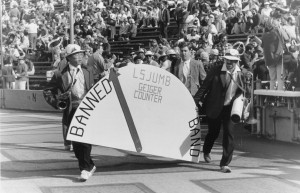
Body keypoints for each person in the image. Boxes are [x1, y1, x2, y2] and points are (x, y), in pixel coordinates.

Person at [48, 44, 96, 181]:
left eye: (81, 54)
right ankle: (89, 165)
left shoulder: (88, 71)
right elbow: (47, 91)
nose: (80, 57)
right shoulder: (59, 74)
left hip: (87, 109)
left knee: (85, 140)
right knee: (76, 143)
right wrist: (57, 102)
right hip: (71, 109)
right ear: (69, 58)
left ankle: (85, 168)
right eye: (76, 54)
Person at [193, 49, 246, 173]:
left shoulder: (241, 73)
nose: (229, 63)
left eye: (232, 61)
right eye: (227, 60)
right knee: (213, 132)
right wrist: (194, 101)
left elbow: (244, 91)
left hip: (230, 108)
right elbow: (204, 87)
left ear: (237, 62)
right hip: (215, 106)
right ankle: (206, 150)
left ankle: (225, 164)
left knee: (229, 134)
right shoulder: (216, 70)